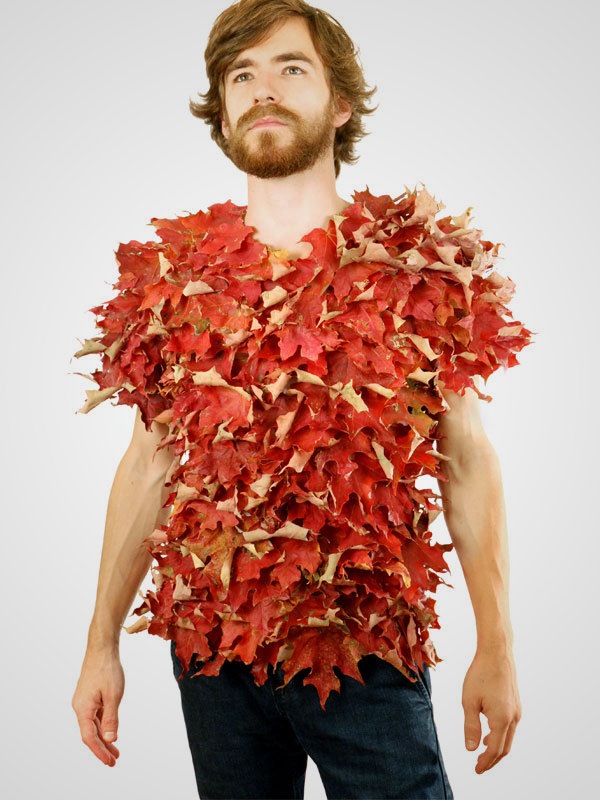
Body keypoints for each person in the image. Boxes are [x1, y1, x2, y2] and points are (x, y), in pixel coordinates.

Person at [71, 1, 533, 797]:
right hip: (214, 654)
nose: (263, 89)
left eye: (291, 68)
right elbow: (148, 463)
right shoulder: (174, 277)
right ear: (222, 110)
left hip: (365, 650)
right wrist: (100, 644)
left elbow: (467, 460)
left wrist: (498, 645)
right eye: (241, 75)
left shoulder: (419, 264)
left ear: (340, 101)